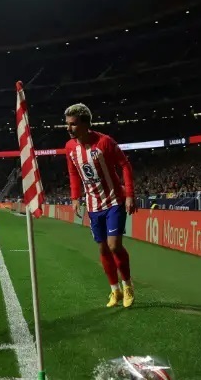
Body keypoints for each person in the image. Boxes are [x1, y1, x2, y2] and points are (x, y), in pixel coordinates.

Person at [64, 103, 136, 308]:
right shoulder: (70, 148)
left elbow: (124, 164)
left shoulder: (105, 142)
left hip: (114, 201)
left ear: (86, 124)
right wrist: (75, 197)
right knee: (103, 249)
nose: (69, 128)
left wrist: (129, 195)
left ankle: (128, 285)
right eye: (67, 124)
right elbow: (73, 173)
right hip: (93, 205)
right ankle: (115, 291)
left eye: (73, 124)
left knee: (114, 245)